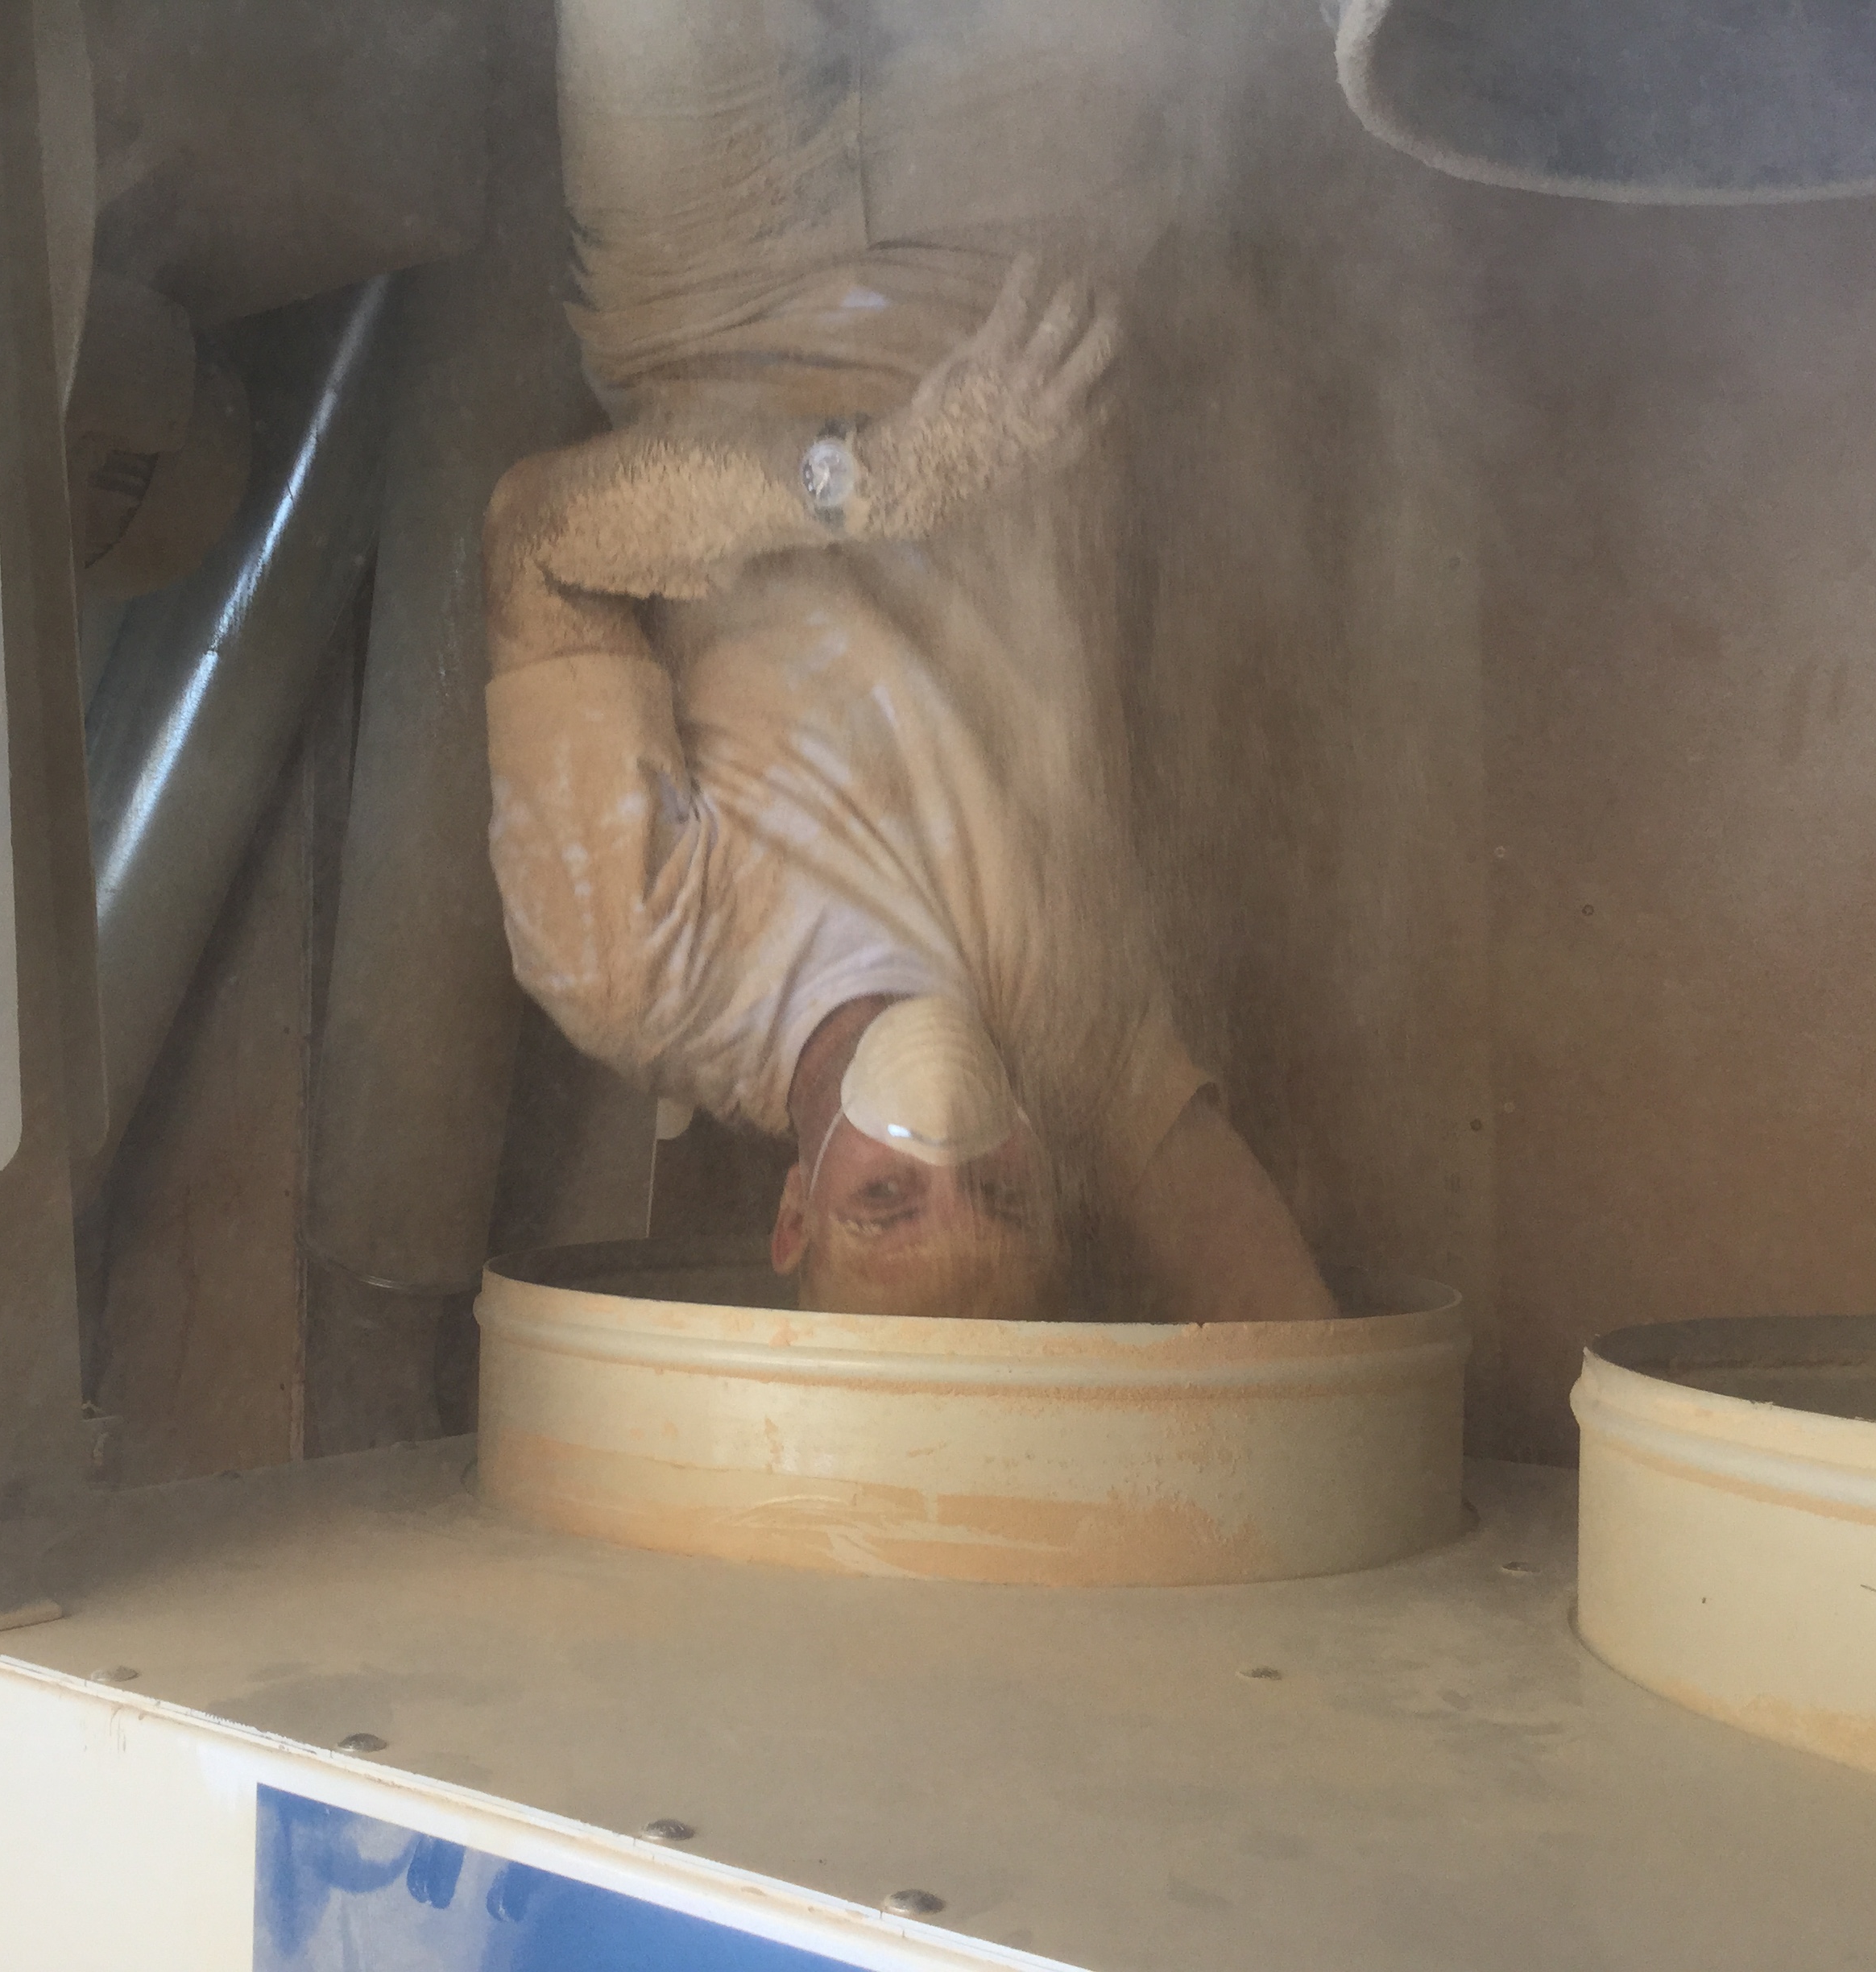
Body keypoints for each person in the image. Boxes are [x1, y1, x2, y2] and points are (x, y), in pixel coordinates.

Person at [482, 0, 1336, 1324]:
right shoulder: (1078, 1041)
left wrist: (870, 482)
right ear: (1051, 1176)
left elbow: (537, 543)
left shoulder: (640, 974)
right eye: (1000, 1198)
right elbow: (1307, 1375)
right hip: (1012, 232)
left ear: (791, 1215)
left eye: (887, 1203)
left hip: (706, 261)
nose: (948, 1159)